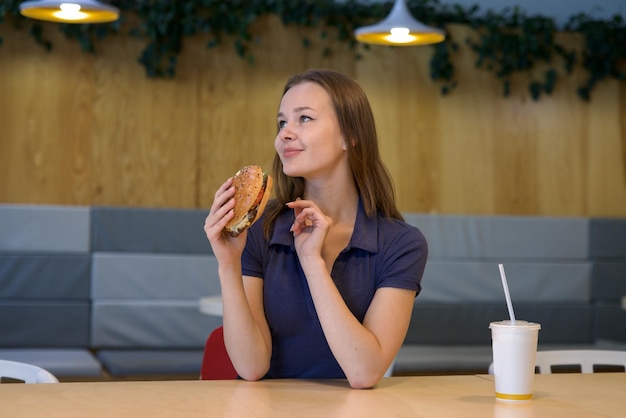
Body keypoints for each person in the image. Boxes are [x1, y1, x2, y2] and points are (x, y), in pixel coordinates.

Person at [204, 69, 428, 389]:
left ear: (350, 136)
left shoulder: (402, 244)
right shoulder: (258, 230)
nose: (285, 134)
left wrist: (313, 263)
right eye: (282, 123)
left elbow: (364, 372)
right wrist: (228, 264)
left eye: (304, 119)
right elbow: (251, 366)